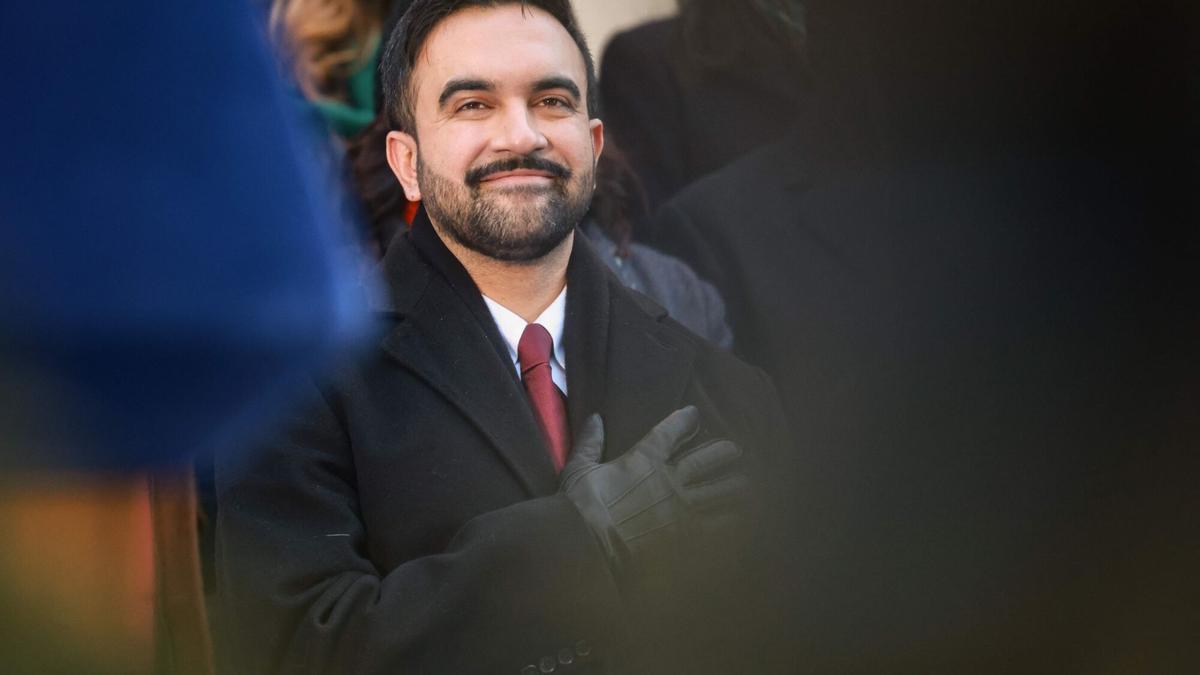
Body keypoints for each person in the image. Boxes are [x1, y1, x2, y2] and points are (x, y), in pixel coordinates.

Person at [216, 2, 791, 674]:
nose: (520, 135)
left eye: (551, 100)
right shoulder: (294, 391)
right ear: (407, 160)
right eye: (472, 105)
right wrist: (575, 543)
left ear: (594, 144)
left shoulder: (727, 390)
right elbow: (292, 650)